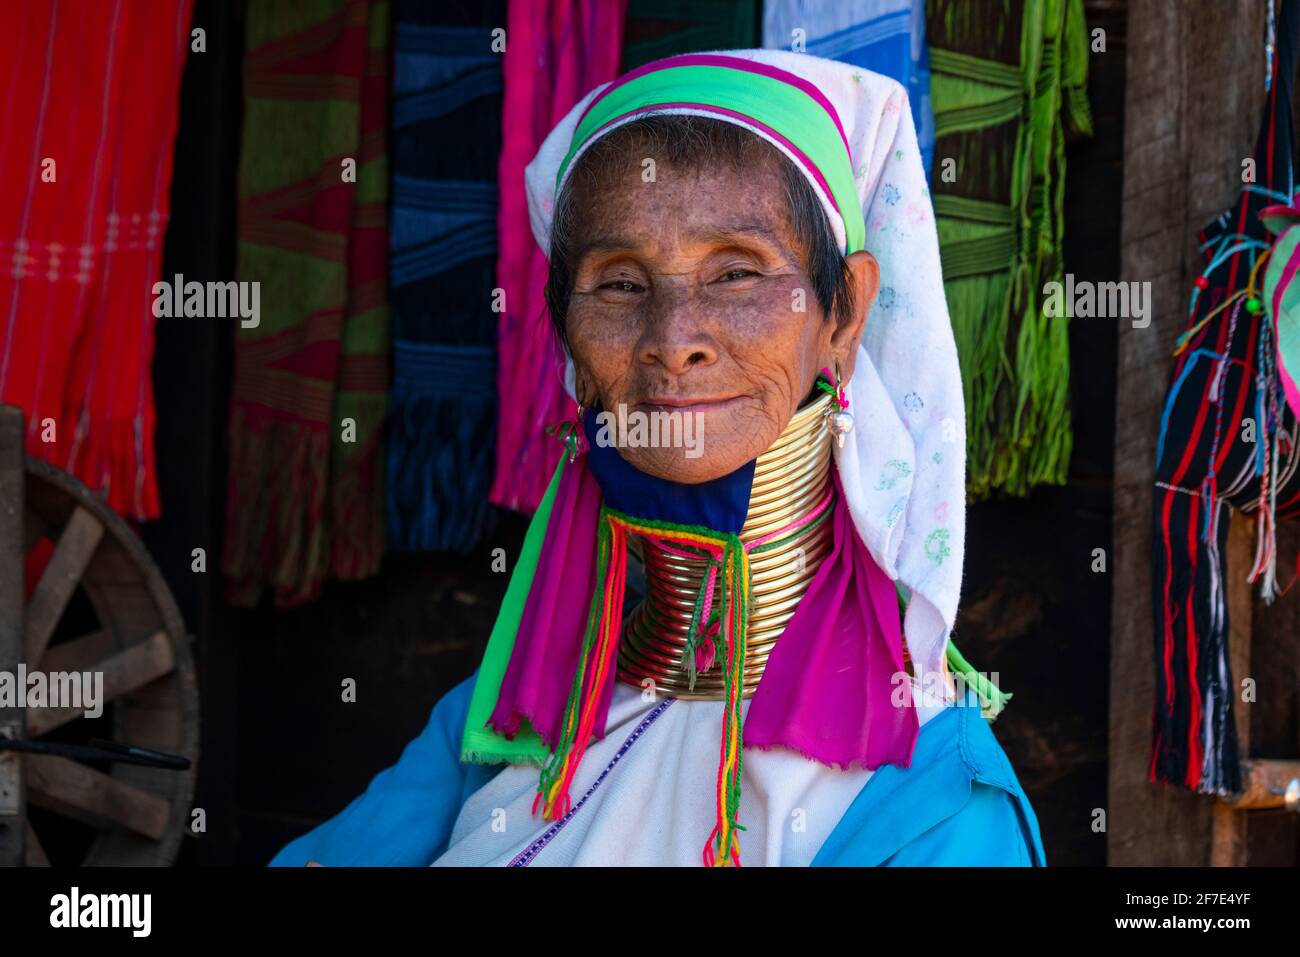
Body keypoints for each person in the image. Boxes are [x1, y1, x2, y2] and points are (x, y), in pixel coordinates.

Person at [270, 48, 1046, 867]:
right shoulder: (512, 714)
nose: (674, 342)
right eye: (619, 283)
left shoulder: (929, 799)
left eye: (738, 272)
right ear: (564, 332)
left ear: (844, 314)